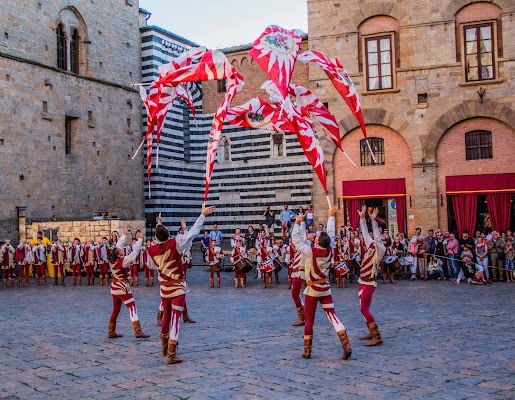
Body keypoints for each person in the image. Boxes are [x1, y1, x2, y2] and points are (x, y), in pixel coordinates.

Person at [147, 204, 215, 364]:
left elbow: (151, 265)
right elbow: (194, 232)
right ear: (168, 234)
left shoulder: (151, 250)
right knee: (176, 319)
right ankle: (171, 353)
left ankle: (164, 348)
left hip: (164, 288)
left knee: (166, 316)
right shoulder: (175, 242)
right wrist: (202, 215)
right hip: (177, 287)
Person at [292, 206, 351, 360]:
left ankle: (307, 350)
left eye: (317, 236)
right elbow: (330, 234)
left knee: (309, 320)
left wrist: (297, 224)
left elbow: (296, 242)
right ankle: (346, 344)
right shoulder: (329, 249)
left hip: (312, 290)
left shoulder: (311, 251)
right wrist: (331, 217)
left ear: (318, 241)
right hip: (325, 289)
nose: (316, 236)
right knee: (333, 317)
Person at [107, 227, 149, 340]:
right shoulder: (123, 261)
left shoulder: (113, 261)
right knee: (132, 307)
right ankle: (138, 331)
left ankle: (111, 331)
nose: (122, 250)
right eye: (120, 251)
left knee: (115, 310)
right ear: (119, 254)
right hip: (122, 287)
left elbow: (118, 246)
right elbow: (134, 253)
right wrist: (140, 240)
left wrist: (124, 236)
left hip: (114, 287)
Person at [357, 206, 386, 347]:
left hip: (369, 282)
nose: (379, 238)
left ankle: (377, 335)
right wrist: (362, 218)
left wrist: (374, 222)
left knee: (364, 309)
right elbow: (365, 233)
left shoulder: (380, 251)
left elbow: (377, 238)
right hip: (362, 280)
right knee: (362, 306)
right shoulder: (371, 245)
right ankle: (370, 329)